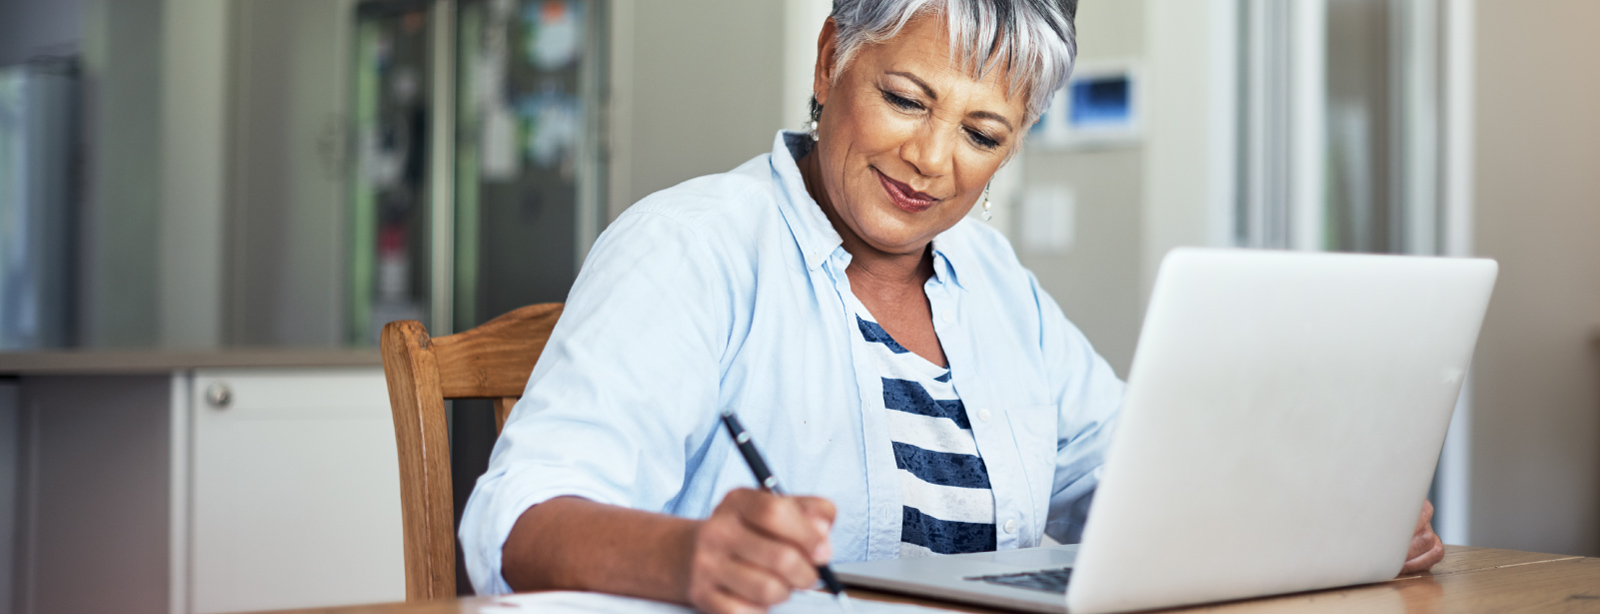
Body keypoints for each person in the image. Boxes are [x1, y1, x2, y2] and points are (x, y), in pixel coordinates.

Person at [458, 1, 1446, 612]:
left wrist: (1324, 516)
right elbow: (510, 525)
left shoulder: (995, 283)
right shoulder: (690, 247)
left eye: (981, 131)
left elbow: (1133, 479)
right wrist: (687, 555)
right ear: (829, 57)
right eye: (904, 98)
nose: (931, 161)